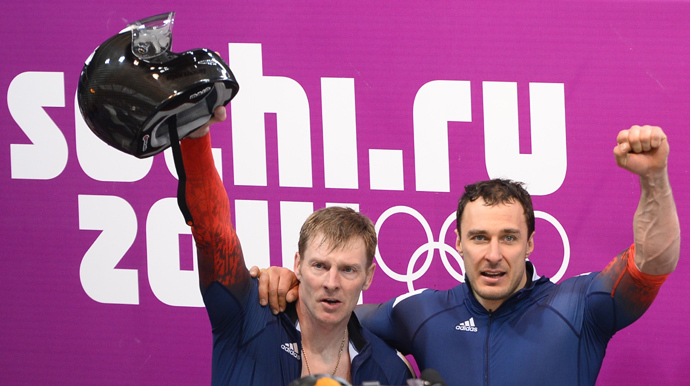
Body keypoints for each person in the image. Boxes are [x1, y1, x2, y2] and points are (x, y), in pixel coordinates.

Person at [256, 125, 680, 385]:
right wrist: (290, 284)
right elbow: (332, 308)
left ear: (531, 243)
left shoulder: (580, 307)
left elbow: (653, 262)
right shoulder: (419, 311)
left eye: (509, 238)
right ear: (456, 241)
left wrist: (655, 179)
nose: (493, 254)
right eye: (479, 238)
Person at [180, 106, 412, 386]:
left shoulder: (389, 369)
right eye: (319, 266)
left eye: (348, 270)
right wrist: (195, 135)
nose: (331, 282)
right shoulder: (249, 316)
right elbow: (213, 233)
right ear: (297, 265)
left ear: (369, 276)